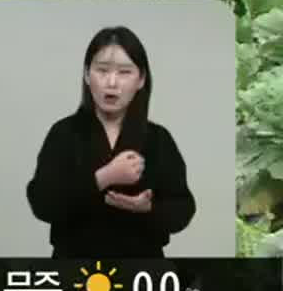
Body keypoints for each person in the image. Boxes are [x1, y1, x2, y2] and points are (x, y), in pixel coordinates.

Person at [24, 26, 195, 258]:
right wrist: (103, 177)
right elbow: (42, 202)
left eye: (124, 72)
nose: (112, 82)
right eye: (102, 70)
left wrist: (147, 208)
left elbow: (182, 209)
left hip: (141, 271)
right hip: (74, 268)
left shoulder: (158, 139)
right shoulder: (64, 133)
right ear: (87, 75)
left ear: (141, 79)